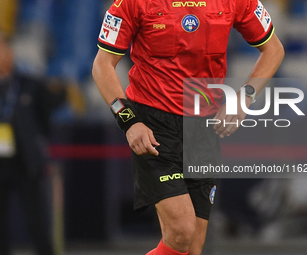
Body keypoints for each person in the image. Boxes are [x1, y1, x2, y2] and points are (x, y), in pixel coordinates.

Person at [92, 0, 284, 254]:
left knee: (193, 246)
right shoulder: (132, 2)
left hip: (204, 127)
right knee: (181, 232)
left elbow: (273, 49)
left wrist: (244, 97)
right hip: (153, 125)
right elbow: (102, 65)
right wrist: (129, 121)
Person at [0, 25, 66, 255]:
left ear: (9, 53)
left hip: (27, 163)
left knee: (36, 223)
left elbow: (46, 116)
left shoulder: (29, 84)